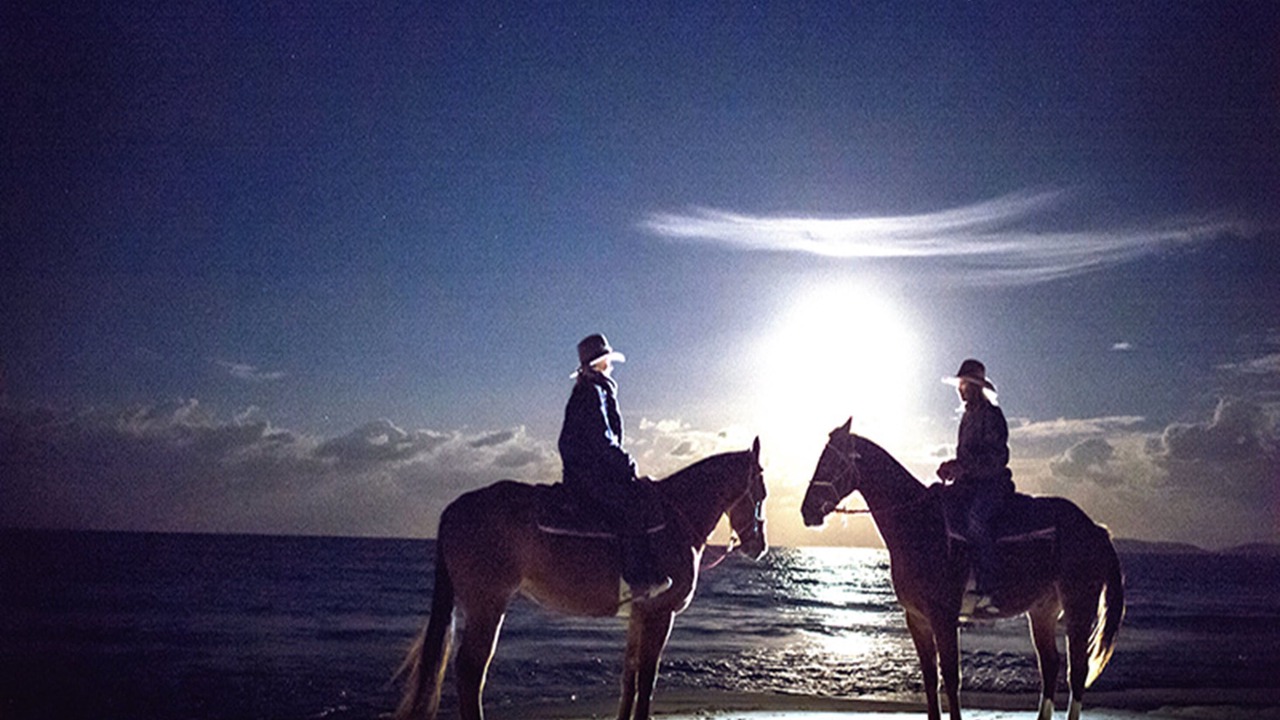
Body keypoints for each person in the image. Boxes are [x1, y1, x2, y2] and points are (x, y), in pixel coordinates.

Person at [558, 333, 671, 600]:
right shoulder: (593, 393)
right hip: (590, 475)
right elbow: (602, 440)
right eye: (608, 361)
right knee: (631, 507)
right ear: (599, 363)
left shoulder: (588, 391)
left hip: (584, 472)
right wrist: (626, 464)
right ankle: (637, 580)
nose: (611, 365)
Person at [937, 358, 1014, 595]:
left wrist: (964, 468)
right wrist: (953, 467)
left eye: (965, 384)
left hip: (992, 484)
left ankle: (990, 585)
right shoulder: (967, 417)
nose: (960, 389)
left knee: (976, 520)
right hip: (969, 484)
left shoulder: (992, 415)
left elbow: (997, 458)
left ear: (975, 387)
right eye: (960, 384)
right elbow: (967, 457)